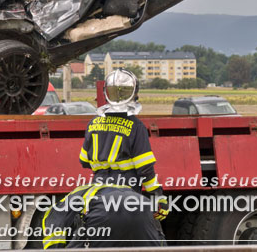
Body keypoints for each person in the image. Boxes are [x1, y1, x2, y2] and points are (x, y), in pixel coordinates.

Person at [40, 69, 166, 248]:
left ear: (106, 92)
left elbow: (84, 160)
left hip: (98, 191)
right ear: (134, 93)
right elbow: (145, 167)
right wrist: (158, 197)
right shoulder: (136, 126)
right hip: (129, 192)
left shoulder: (93, 123)